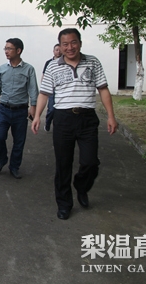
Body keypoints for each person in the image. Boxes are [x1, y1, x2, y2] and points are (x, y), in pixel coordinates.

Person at [31, 28, 118, 221]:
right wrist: (38, 116)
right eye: (65, 44)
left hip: (87, 119)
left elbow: (103, 89)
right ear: (60, 46)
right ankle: (64, 204)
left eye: (73, 43)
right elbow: (44, 93)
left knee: (90, 162)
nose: (69, 47)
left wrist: (111, 116)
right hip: (63, 119)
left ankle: (81, 185)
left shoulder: (93, 62)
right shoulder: (53, 66)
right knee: (63, 164)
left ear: (80, 43)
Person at [0, 38, 38, 179]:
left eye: (9, 48)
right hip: (4, 109)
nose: (6, 51)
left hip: (20, 111)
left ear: (18, 50)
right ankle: (2, 159)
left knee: (19, 141)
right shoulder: (2, 68)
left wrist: (33, 108)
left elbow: (33, 90)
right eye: (5, 48)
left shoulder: (29, 69)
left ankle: (14, 166)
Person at [42, 44, 62, 132]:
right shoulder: (49, 63)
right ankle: (47, 123)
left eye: (60, 50)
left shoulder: (65, 62)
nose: (58, 52)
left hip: (61, 90)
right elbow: (44, 75)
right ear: (53, 51)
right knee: (51, 109)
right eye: (57, 50)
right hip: (52, 89)